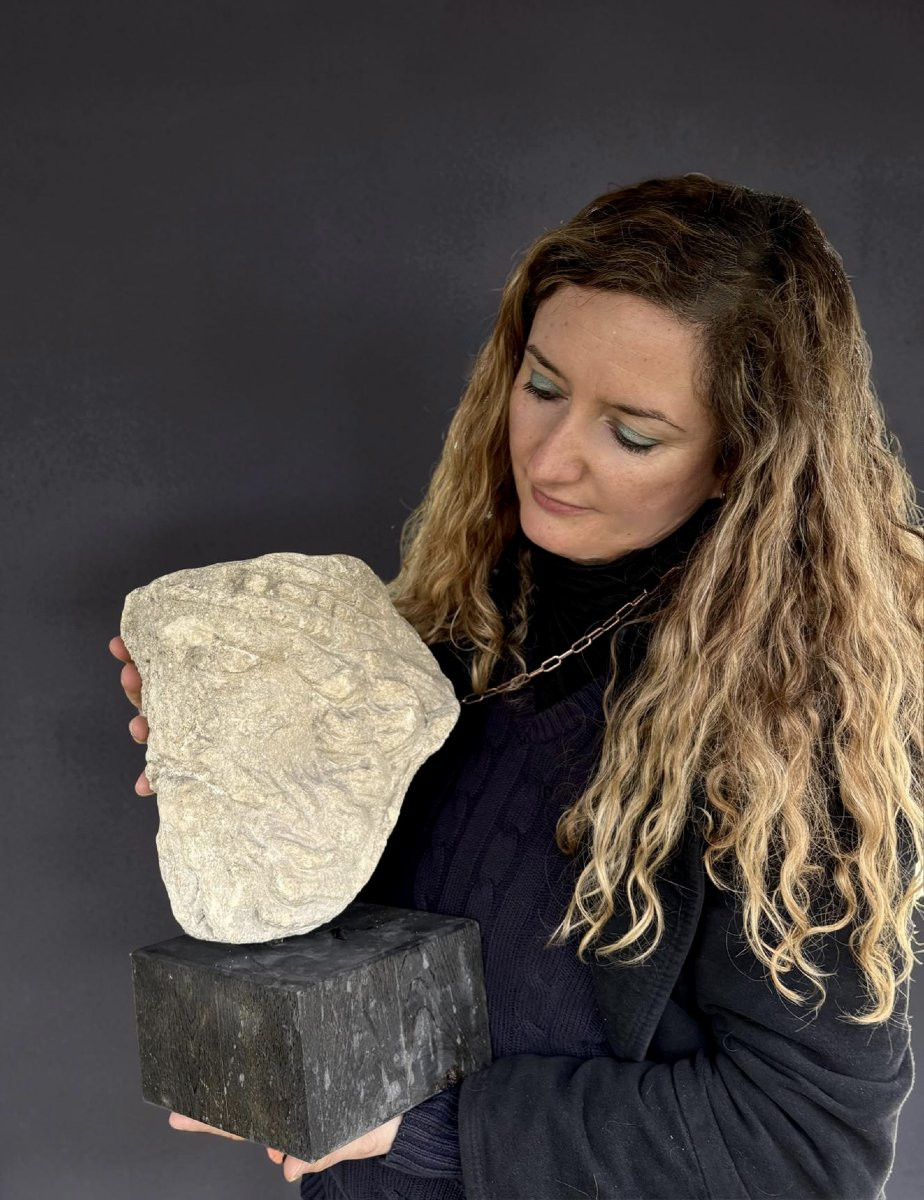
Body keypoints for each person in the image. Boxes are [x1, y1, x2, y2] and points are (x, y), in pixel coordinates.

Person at [109, 172, 923, 1199]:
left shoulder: (791, 740)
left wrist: (418, 1124)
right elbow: (399, 928)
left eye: (632, 433)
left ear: (739, 462)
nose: (551, 457)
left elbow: (808, 1145)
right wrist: (246, 756)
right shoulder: (459, 623)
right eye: (541, 387)